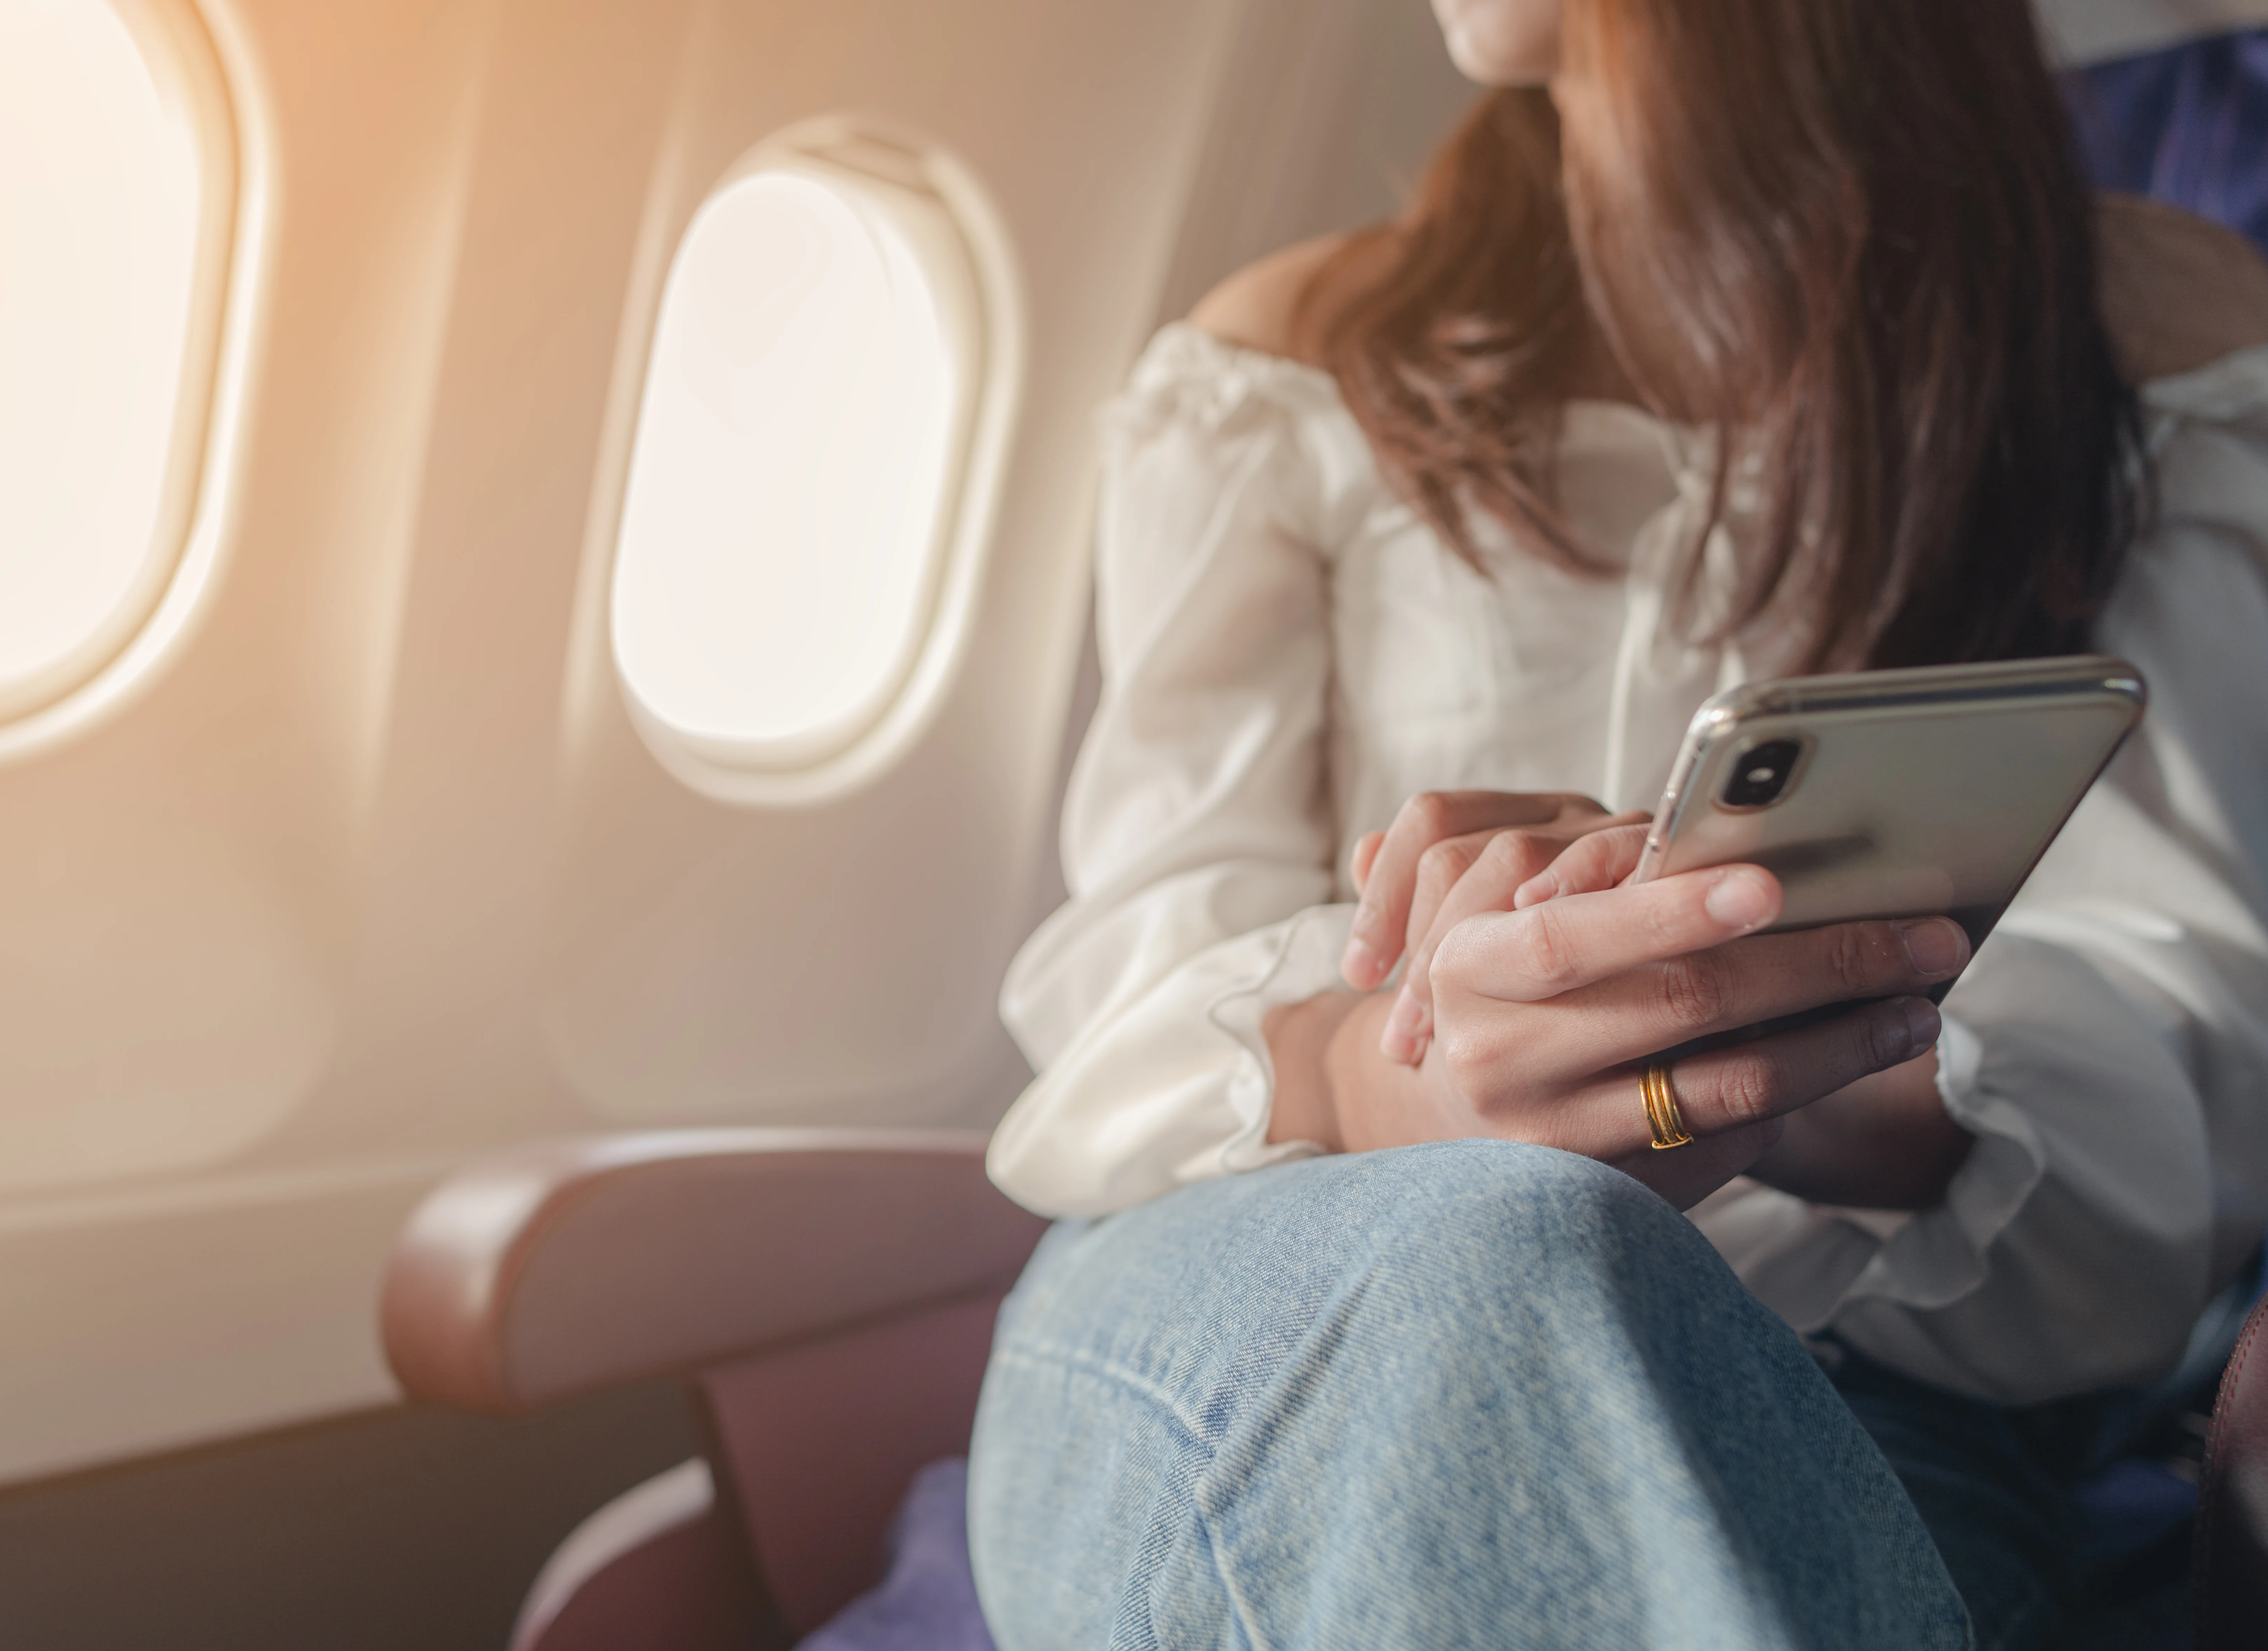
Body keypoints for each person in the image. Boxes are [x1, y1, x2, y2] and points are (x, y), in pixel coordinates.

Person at [963, 0, 2268, 1645]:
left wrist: (1761, 1080)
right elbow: (1129, 977)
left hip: (1844, 1376)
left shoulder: (2157, 345)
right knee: (1508, 1237)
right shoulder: (1291, 359)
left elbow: (2188, 1045)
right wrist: (1410, 1062)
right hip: (1253, 1275)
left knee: (1551, 1256)